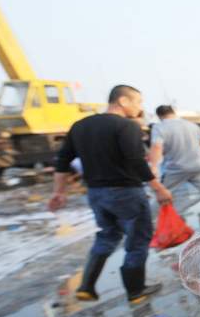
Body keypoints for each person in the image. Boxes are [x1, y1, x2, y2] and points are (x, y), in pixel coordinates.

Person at [49, 85, 170, 303]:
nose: (139, 107)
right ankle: (135, 291)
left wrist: (58, 192)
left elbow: (62, 161)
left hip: (96, 194)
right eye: (138, 102)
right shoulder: (126, 126)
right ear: (123, 101)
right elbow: (136, 162)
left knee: (108, 234)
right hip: (126, 192)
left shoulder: (80, 126)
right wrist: (159, 188)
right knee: (138, 239)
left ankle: (86, 286)